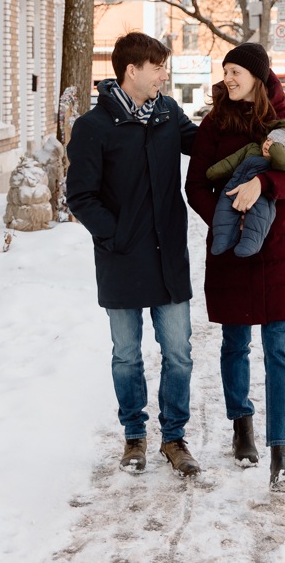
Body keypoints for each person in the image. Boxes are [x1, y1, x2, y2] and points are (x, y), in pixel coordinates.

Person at [185, 42, 285, 491]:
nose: (228, 78)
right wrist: (229, 216)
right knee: (234, 342)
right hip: (231, 250)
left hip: (280, 248)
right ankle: (242, 424)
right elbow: (195, 186)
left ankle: (282, 451)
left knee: (280, 349)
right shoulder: (213, 124)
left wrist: (263, 184)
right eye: (225, 71)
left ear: (258, 77)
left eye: (236, 71)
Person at [66, 32, 200, 478]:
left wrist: (255, 129)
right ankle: (134, 437)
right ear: (132, 71)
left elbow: (202, 146)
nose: (165, 75)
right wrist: (116, 235)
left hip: (167, 256)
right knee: (127, 354)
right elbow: (80, 196)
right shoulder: (93, 127)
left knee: (178, 352)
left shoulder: (167, 113)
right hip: (122, 258)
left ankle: (174, 438)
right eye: (159, 67)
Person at [207, 117, 285, 257]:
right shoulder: (252, 148)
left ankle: (250, 243)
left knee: (259, 217)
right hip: (234, 186)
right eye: (268, 139)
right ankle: (221, 239)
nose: (269, 144)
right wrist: (214, 171)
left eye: (276, 143)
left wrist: (275, 149)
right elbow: (231, 162)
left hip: (262, 196)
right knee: (223, 209)